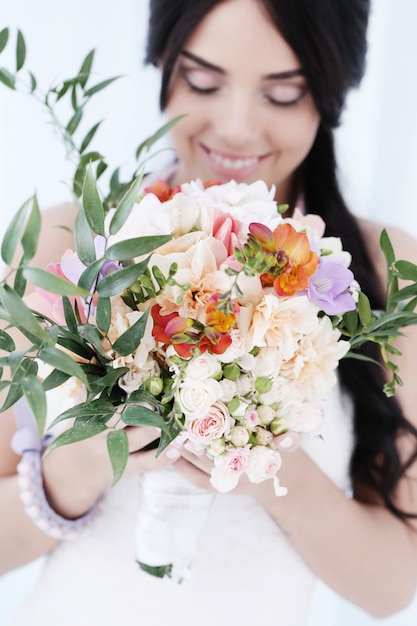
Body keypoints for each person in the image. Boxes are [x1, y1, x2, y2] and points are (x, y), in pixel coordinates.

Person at [1, 1, 417, 624]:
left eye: (283, 94)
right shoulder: (68, 242)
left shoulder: (385, 276)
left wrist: (262, 459)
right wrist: (81, 467)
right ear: (162, 63)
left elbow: (391, 588)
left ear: (332, 92)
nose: (237, 129)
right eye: (202, 81)